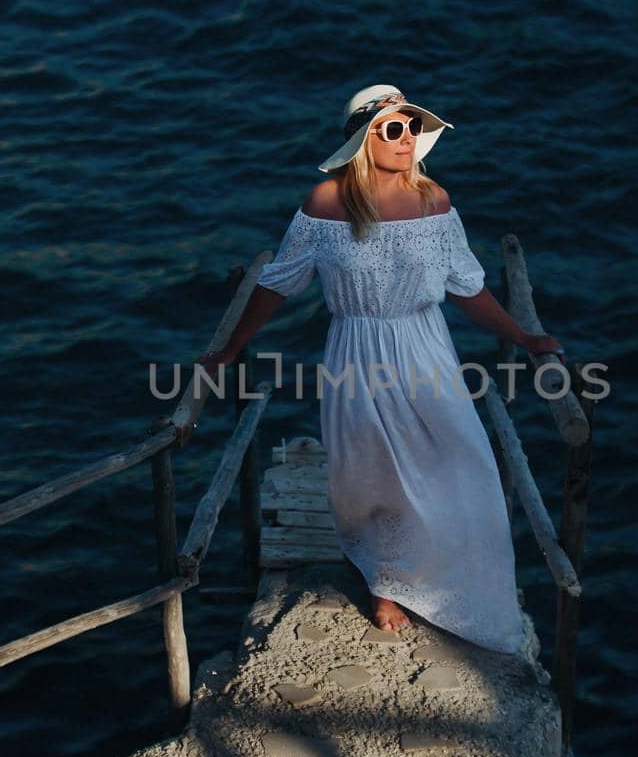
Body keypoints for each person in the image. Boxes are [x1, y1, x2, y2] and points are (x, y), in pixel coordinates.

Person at [195, 84, 564, 654]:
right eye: (393, 128)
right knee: (374, 474)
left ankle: (457, 582)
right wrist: (227, 349)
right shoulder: (325, 204)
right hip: (357, 350)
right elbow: (276, 286)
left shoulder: (435, 200)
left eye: (413, 126)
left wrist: (524, 336)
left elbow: (467, 288)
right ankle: (387, 583)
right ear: (364, 139)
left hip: (426, 347)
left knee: (465, 463)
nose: (408, 137)